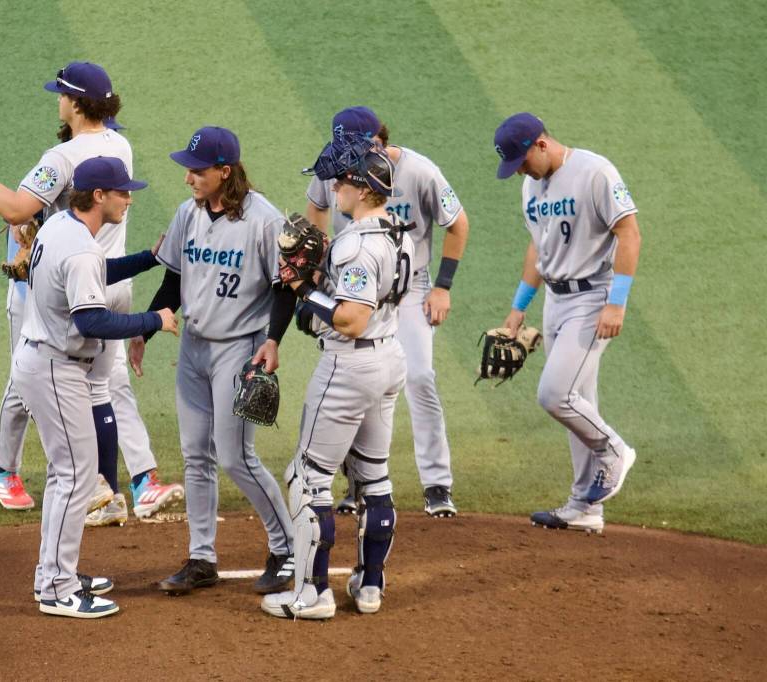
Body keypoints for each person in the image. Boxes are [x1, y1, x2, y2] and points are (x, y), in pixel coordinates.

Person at [0, 61, 183, 521]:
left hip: (55, 291)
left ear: (76, 103)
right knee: (92, 386)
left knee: (35, 374)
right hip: (107, 279)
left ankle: (54, 482)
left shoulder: (59, 159)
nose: (57, 100)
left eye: (61, 95)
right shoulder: (119, 144)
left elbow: (16, 209)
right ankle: (86, 485)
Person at [129, 126, 296, 596]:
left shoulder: (263, 221)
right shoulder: (188, 214)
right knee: (194, 455)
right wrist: (144, 329)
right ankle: (202, 557)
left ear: (225, 172)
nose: (189, 179)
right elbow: (174, 279)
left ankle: (287, 547)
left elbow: (285, 287)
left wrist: (274, 340)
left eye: (198, 171)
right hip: (193, 349)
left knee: (235, 455)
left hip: (238, 350)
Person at [13, 156, 177, 617]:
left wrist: (147, 259)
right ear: (99, 196)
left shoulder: (61, 226)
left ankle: (53, 574)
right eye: (122, 191)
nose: (129, 198)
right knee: (76, 475)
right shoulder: (80, 247)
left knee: (68, 473)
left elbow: (92, 276)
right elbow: (92, 318)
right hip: (54, 366)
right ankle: (59, 589)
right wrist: (154, 319)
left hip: (43, 359)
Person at [262, 143, 411, 619]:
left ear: (364, 189)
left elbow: (350, 319)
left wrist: (305, 290)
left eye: (341, 182)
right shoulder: (397, 232)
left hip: (350, 368)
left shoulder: (358, 244)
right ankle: (369, 584)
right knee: (373, 474)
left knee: (307, 479)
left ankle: (311, 594)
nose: (333, 188)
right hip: (388, 360)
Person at [306, 106, 469, 518]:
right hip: (353, 284)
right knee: (354, 378)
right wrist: (323, 267)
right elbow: (316, 213)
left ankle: (437, 483)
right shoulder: (337, 169)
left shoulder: (420, 171)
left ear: (377, 139)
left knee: (419, 377)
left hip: (407, 288)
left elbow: (458, 223)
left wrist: (443, 287)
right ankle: (355, 483)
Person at [492, 112, 640, 534]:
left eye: (522, 160)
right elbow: (539, 248)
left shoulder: (594, 171)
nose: (520, 170)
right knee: (578, 402)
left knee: (555, 395)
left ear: (541, 144)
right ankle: (585, 506)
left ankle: (615, 451)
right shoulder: (529, 186)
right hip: (556, 300)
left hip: (594, 297)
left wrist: (617, 303)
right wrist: (520, 306)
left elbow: (629, 233)